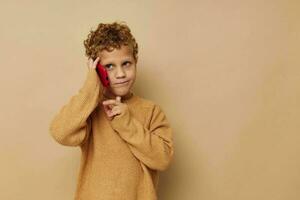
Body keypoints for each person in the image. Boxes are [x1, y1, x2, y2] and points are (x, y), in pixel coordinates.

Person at [49, 21, 174, 200]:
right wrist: (91, 86)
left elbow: (163, 159)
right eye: (109, 66)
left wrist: (127, 123)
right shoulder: (89, 111)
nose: (121, 74)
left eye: (126, 63)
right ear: (97, 69)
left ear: (135, 61)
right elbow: (60, 132)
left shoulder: (151, 111)